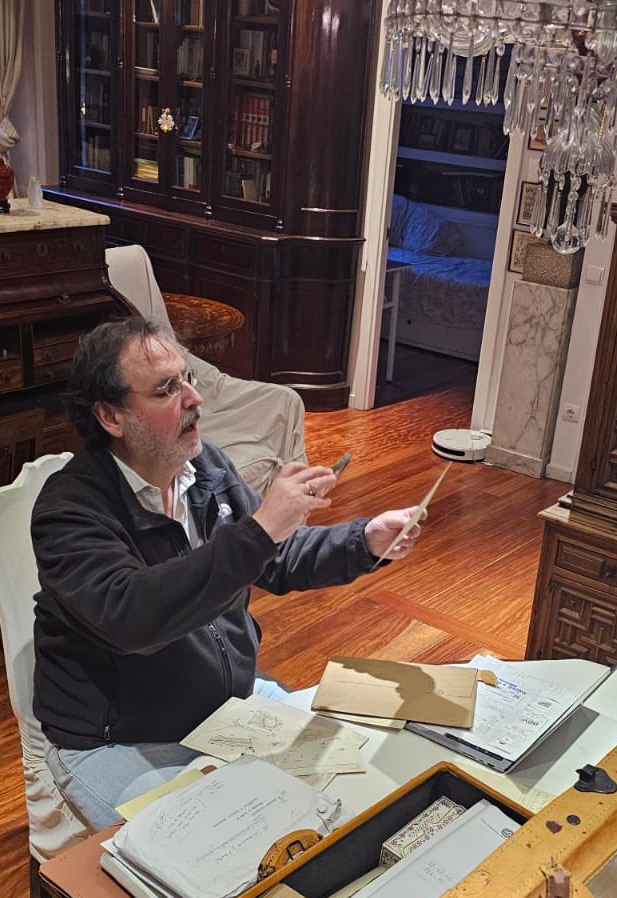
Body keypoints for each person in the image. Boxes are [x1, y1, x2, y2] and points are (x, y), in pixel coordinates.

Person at [32, 316, 423, 829]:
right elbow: (133, 618)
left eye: (187, 378)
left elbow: (274, 558)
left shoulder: (204, 469)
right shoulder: (70, 509)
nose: (194, 398)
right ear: (111, 415)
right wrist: (262, 529)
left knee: (353, 799)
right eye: (167, 389)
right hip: (121, 738)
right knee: (210, 853)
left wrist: (363, 539)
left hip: (222, 707)